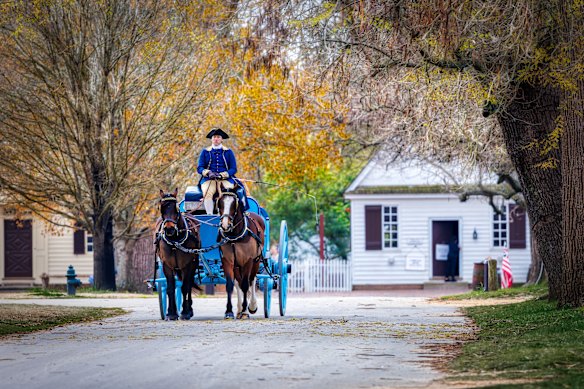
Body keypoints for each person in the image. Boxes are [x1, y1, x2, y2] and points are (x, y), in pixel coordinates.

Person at [197, 127, 238, 215]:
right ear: (211, 139)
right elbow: (199, 168)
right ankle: (209, 215)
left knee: (228, 193)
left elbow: (233, 169)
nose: (216, 139)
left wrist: (222, 175)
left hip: (225, 179)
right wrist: (208, 173)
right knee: (207, 193)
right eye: (214, 137)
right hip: (208, 180)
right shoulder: (204, 152)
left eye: (218, 137)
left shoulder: (229, 152)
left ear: (221, 139)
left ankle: (226, 216)